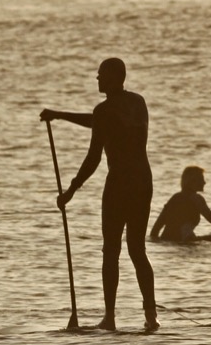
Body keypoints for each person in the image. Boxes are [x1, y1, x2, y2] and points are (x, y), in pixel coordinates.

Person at [40, 57, 158, 331]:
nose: (97, 79)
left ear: (114, 78)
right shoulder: (137, 102)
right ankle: (151, 316)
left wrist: (71, 190)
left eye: (101, 74)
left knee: (111, 251)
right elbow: (101, 121)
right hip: (143, 182)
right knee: (137, 250)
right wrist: (60, 115)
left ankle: (110, 318)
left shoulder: (104, 111)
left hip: (119, 185)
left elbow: (94, 157)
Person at [150, 166, 211, 243]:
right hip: (184, 242)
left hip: (166, 240)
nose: (204, 182)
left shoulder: (175, 198)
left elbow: (155, 230)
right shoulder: (196, 198)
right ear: (192, 181)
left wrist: (158, 243)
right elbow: (210, 217)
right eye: (201, 179)